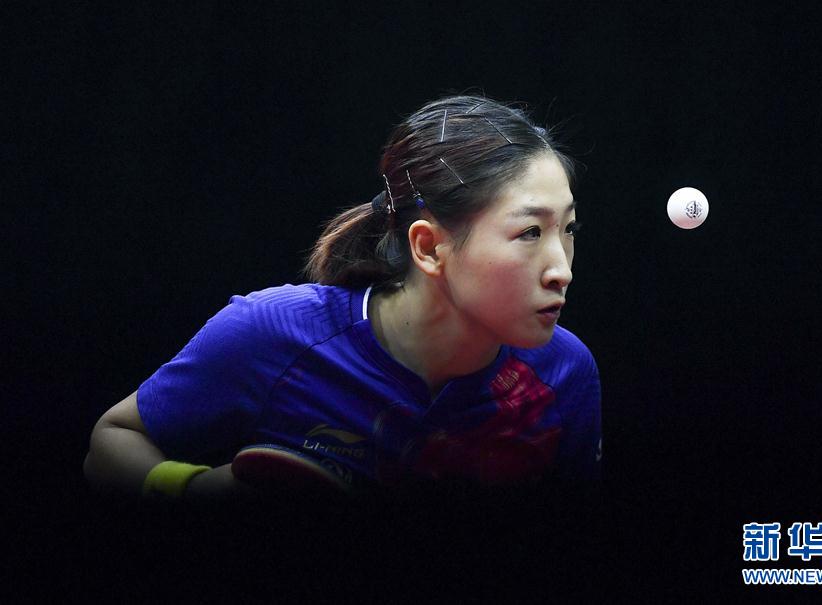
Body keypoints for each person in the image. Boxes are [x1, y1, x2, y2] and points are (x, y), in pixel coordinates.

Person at [83, 94, 601, 502]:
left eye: (569, 229)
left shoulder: (564, 374)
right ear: (428, 247)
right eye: (529, 232)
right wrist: (195, 490)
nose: (562, 269)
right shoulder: (271, 334)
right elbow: (111, 440)